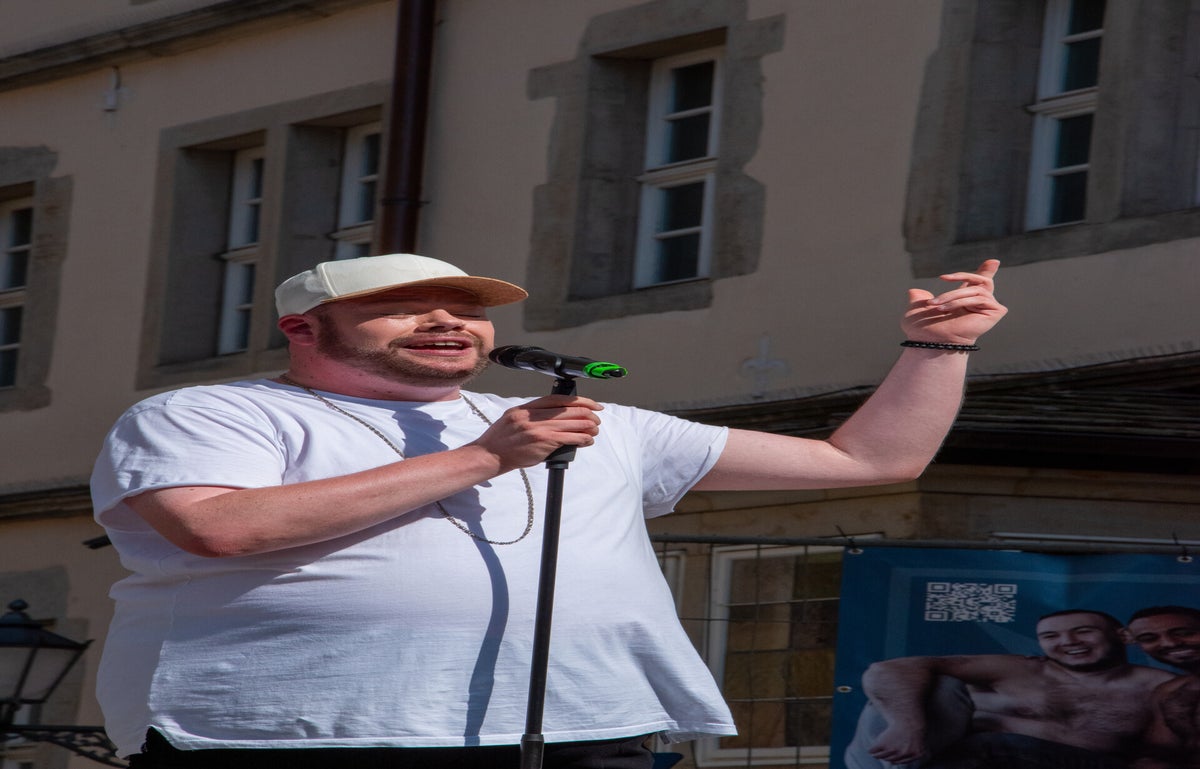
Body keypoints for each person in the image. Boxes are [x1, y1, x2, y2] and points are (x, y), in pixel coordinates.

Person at [90, 253, 1006, 768]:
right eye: (405, 309)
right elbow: (220, 526)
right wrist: (484, 457)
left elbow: (870, 461)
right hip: (297, 735)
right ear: (303, 328)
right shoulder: (213, 413)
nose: (448, 322)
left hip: (582, 728)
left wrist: (937, 348)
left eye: (466, 309)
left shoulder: (590, 421)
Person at [847, 609, 1178, 769]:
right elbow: (888, 670)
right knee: (929, 685)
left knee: (995, 745)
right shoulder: (1018, 669)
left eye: (1083, 631)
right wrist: (906, 726)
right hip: (951, 762)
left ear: (1123, 636)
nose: (1068, 642)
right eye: (1051, 636)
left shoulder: (1158, 687)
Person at [1125, 606, 1200, 768]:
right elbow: (1159, 751)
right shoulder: (1169, 691)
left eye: (1185, 633)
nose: (1169, 643)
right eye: (1149, 638)